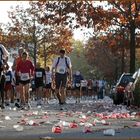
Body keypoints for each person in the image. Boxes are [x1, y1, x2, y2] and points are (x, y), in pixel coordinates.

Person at [0, 42, 9, 109]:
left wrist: (5, 63)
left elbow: (7, 55)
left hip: (0, 68)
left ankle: (2, 102)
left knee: (1, 88)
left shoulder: (1, 46)